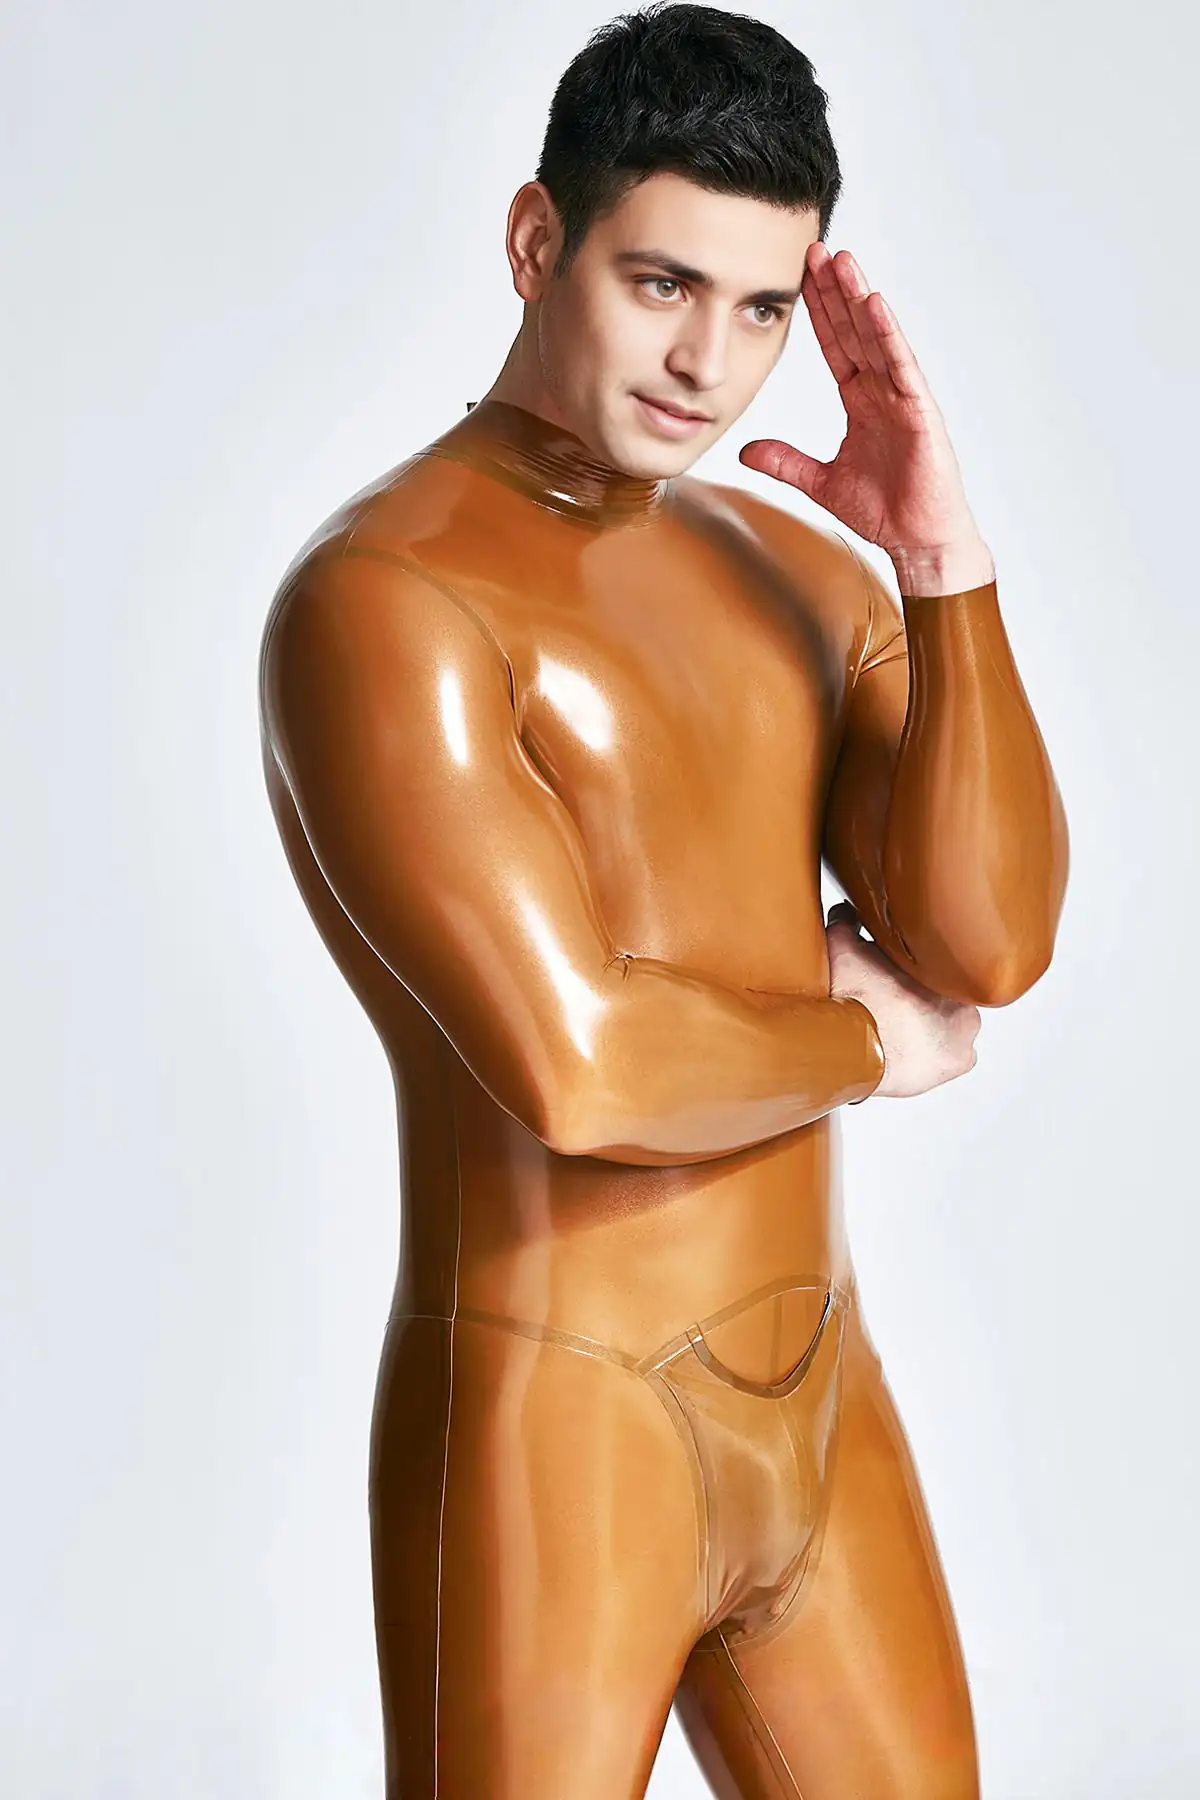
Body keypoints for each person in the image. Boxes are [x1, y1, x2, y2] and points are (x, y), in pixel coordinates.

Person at [257, 5, 1069, 1794]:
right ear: (536, 240)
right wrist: (863, 1048)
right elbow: (582, 1068)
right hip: (557, 1422)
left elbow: (991, 938)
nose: (710, 361)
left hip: (822, 1413)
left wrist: (943, 569)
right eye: (661, 284)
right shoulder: (387, 600)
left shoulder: (794, 573)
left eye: (763, 309)